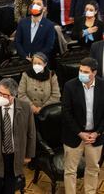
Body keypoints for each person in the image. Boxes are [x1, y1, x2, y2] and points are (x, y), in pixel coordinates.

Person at [0, 78, 36, 194]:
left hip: (14, 157)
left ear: (13, 95)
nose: (1, 97)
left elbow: (31, 133)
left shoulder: (25, 107)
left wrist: (29, 154)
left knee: (10, 190)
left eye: (5, 95)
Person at [62, 57, 104, 194]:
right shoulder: (69, 86)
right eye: (80, 70)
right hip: (74, 135)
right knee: (70, 171)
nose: (82, 74)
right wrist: (80, 133)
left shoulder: (103, 86)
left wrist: (97, 132)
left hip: (95, 136)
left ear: (94, 73)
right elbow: (66, 113)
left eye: (86, 72)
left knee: (93, 169)